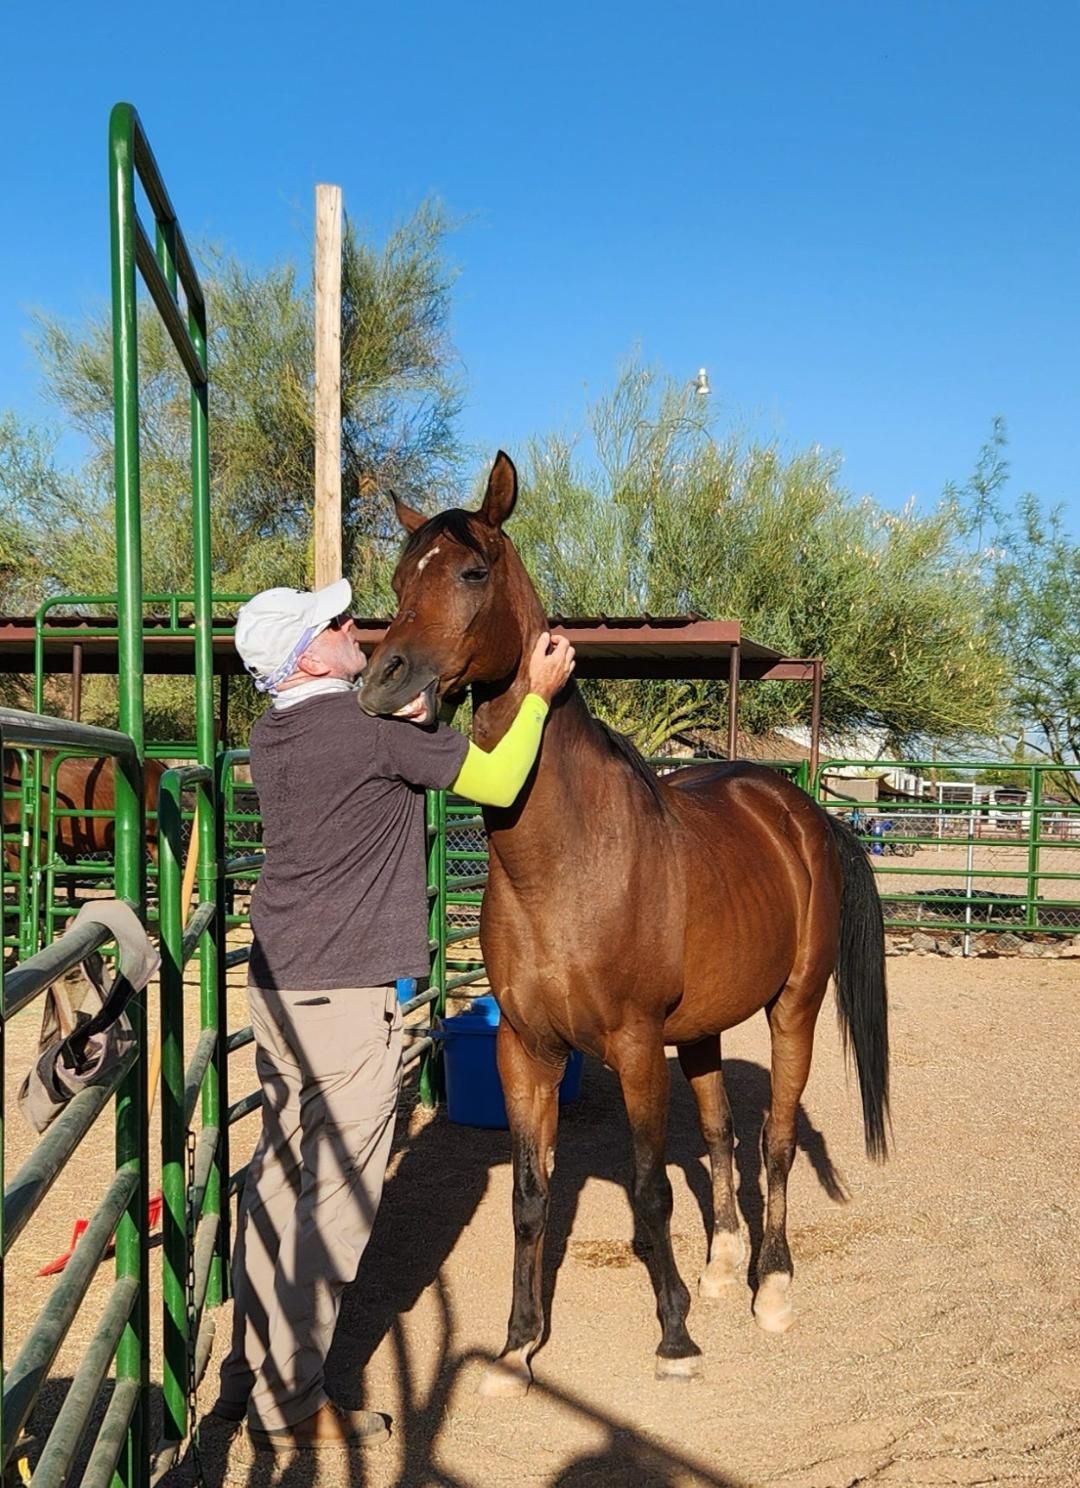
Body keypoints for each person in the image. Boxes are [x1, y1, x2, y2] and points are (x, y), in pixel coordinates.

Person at [214, 578, 574, 1452]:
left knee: (280, 1178)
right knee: (333, 1205)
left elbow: (369, 775)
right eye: (336, 625)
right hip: (349, 1002)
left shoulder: (274, 732)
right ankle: (292, 1404)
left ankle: (250, 1365)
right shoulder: (363, 729)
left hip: (279, 994)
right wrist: (537, 696)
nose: (356, 629)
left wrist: (409, 726)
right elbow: (494, 777)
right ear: (308, 654)